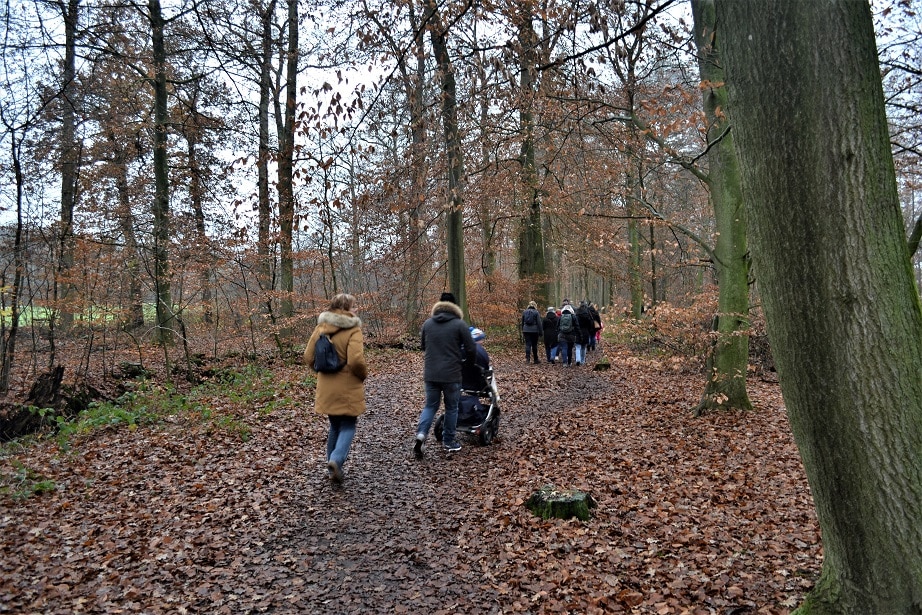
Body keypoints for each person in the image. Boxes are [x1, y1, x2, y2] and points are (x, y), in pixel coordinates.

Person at [304, 293, 367, 484]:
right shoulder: (353, 329)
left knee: (334, 425)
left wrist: (322, 371)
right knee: (348, 424)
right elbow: (356, 360)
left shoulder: (321, 328)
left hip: (327, 386)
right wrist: (363, 374)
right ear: (345, 308)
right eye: (354, 306)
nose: (357, 310)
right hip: (347, 386)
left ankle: (332, 469)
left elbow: (308, 356)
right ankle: (336, 460)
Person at [414, 296, 477, 457]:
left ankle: (421, 434)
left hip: (431, 373)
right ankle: (449, 441)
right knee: (451, 408)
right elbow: (471, 349)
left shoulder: (428, 324)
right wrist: (467, 364)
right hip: (452, 374)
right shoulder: (459, 325)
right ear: (454, 307)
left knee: (430, 406)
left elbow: (423, 346)